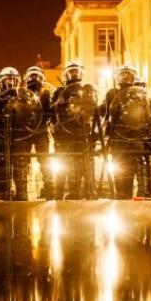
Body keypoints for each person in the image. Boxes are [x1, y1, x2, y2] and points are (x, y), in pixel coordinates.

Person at [50, 60, 96, 200]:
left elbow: (94, 108)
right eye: (71, 71)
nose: (74, 73)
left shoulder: (87, 90)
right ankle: (60, 193)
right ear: (66, 74)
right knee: (64, 163)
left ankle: (84, 192)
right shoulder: (59, 91)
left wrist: (81, 107)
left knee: (83, 163)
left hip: (82, 131)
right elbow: (52, 110)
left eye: (76, 71)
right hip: (64, 133)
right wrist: (63, 102)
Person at [103, 63, 150, 198]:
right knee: (118, 166)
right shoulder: (112, 93)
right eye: (122, 74)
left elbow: (146, 114)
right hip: (117, 136)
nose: (124, 77)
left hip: (134, 135)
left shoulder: (139, 93)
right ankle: (120, 192)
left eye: (127, 74)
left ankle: (139, 191)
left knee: (135, 165)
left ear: (132, 77)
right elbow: (106, 113)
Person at [0, 67, 33, 200]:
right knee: (1, 163)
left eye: (13, 79)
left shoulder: (23, 96)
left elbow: (31, 113)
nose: (11, 82)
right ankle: (2, 192)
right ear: (2, 81)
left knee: (21, 162)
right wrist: (1, 99)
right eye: (8, 79)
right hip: (1, 135)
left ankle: (22, 192)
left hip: (19, 135)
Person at [24, 66, 54, 200]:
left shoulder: (46, 94)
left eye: (37, 76)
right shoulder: (22, 93)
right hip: (25, 132)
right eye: (32, 76)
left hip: (41, 131)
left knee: (45, 161)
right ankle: (22, 191)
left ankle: (49, 189)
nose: (35, 79)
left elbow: (50, 112)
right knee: (22, 161)